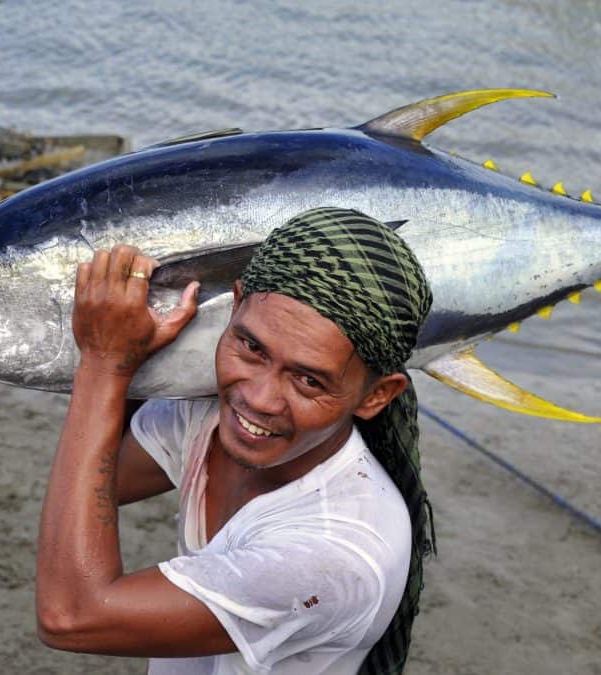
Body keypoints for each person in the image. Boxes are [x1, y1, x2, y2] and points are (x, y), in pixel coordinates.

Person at [35, 207, 435, 674]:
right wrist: (142, 351)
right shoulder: (207, 420)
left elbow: (70, 616)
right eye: (251, 346)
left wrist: (104, 363)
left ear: (377, 395)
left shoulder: (335, 552)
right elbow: (98, 485)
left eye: (308, 380)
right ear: (235, 304)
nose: (259, 399)